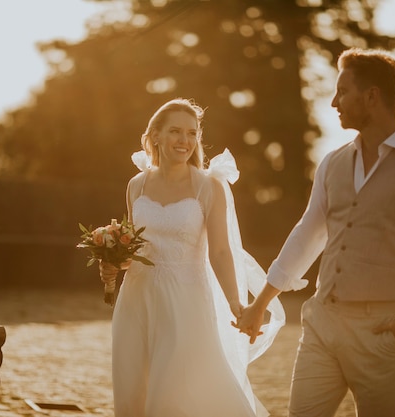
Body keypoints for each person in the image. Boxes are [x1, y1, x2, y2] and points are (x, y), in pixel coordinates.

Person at [236, 48, 395, 417]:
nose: (333, 102)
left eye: (342, 91)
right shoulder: (332, 163)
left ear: (372, 96)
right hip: (322, 324)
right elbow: (307, 235)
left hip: (382, 332)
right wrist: (260, 303)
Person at [99, 98, 286, 417]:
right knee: (134, 388)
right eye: (175, 131)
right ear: (155, 135)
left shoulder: (208, 186)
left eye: (191, 133)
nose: (184, 141)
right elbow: (135, 249)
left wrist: (235, 304)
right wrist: (113, 260)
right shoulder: (136, 186)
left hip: (185, 300)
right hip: (136, 298)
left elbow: (221, 251)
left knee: (174, 393)